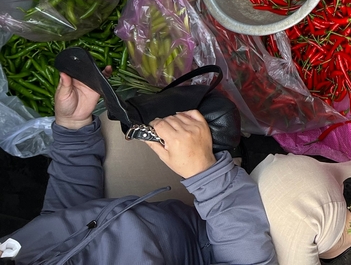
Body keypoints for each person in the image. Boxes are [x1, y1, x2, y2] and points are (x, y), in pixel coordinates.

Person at [0, 70, 278, 264]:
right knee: (299, 184)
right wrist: (207, 177)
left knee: (121, 122)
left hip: (154, 217)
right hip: (220, 249)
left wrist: (73, 128)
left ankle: (225, 165)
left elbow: (63, 221)